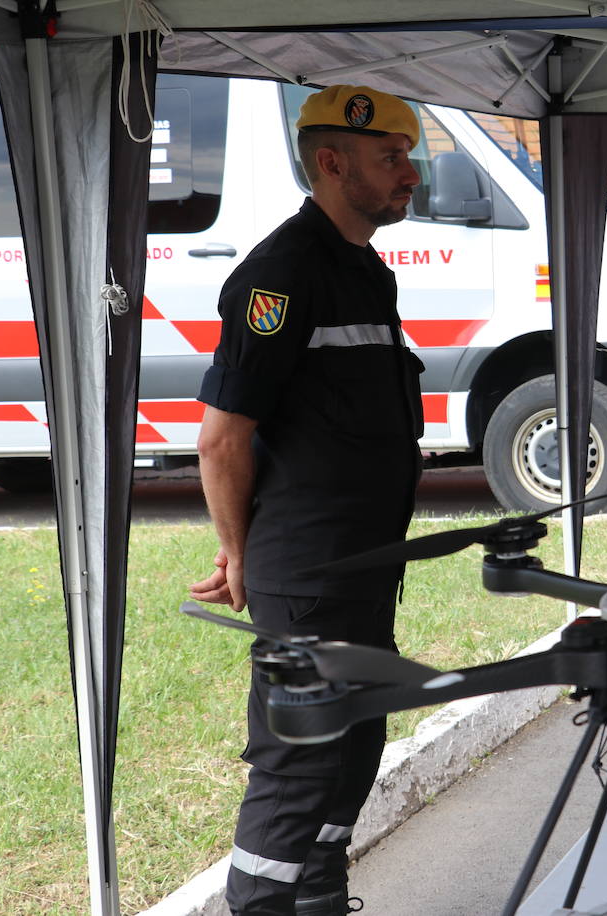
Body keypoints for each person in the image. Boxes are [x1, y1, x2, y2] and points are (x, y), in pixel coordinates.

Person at [188, 84, 426, 916]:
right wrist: (241, 553)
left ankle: (319, 902)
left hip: (362, 570)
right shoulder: (281, 273)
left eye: (408, 156)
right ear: (333, 162)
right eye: (391, 158)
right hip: (310, 572)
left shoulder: (362, 268)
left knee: (356, 746)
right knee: (300, 769)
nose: (410, 173)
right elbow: (221, 438)